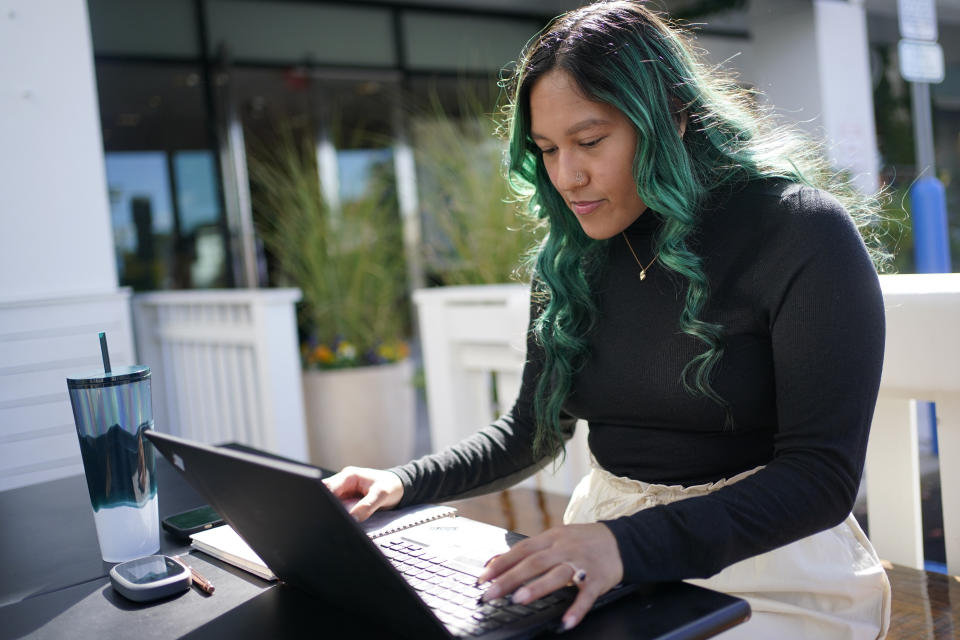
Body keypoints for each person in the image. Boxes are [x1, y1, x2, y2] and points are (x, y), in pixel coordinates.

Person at [324, 2, 891, 637]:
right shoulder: (570, 260)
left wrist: (622, 545)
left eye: (590, 141)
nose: (567, 176)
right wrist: (401, 482)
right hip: (609, 552)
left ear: (672, 118)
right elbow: (531, 433)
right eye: (546, 150)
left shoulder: (798, 231)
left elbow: (821, 477)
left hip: (768, 565)